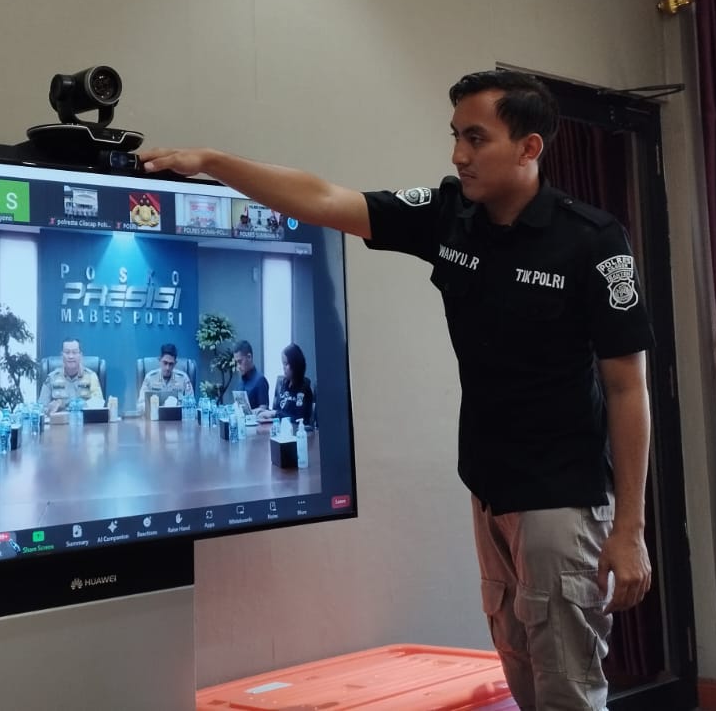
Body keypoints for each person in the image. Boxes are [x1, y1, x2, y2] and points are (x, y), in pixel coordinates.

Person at [141, 69, 654, 710]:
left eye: (476, 138)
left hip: (562, 496)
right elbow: (324, 199)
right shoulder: (450, 216)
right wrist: (214, 163)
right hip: (489, 489)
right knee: (523, 673)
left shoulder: (591, 240)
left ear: (529, 147)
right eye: (455, 136)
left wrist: (629, 527)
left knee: (568, 692)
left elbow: (627, 388)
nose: (458, 154)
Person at [39, 338, 105, 411]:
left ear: (80, 355)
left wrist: (83, 405)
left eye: (74, 352)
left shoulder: (91, 377)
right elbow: (41, 407)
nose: (71, 356)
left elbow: (99, 404)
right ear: (62, 355)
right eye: (67, 352)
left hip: (84, 418)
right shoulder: (52, 378)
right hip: (59, 418)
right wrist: (51, 408)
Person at [259, 343, 315, 426]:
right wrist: (266, 412)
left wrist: (275, 413)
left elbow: (299, 419)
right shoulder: (283, 384)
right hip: (280, 429)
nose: (283, 367)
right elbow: (278, 411)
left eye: (286, 364)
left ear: (295, 365)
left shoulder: (304, 388)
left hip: (296, 431)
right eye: (283, 364)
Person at [139, 342, 196, 415]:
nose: (167, 368)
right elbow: (140, 404)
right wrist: (154, 407)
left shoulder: (183, 378)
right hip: (155, 417)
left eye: (171, 364)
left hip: (177, 418)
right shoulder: (150, 378)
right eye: (165, 363)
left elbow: (192, 404)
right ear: (159, 360)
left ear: (175, 363)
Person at [230, 340, 269, 413]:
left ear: (249, 357)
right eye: (236, 363)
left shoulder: (260, 381)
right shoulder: (241, 382)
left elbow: (264, 410)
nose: (238, 366)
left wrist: (248, 413)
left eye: (240, 362)